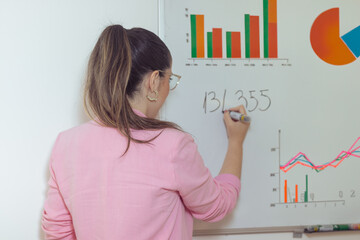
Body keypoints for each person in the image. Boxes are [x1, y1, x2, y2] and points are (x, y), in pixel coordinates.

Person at [41, 25, 249, 240]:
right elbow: (216, 206)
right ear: (153, 80)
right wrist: (236, 142)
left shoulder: (65, 145)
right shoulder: (171, 145)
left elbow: (58, 232)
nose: (169, 88)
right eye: (170, 79)